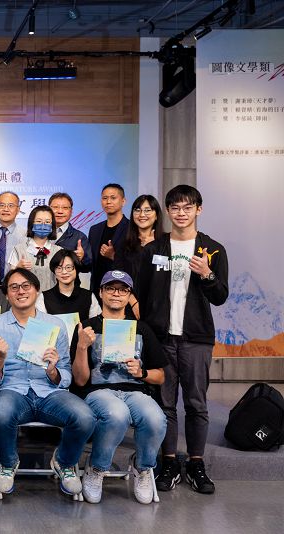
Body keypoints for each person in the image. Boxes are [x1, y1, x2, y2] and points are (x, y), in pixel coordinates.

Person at [137, 185, 229, 495]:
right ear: (167, 211)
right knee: (165, 404)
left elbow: (221, 296)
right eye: (175, 207)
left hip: (196, 338)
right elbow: (142, 294)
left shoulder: (212, 250)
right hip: (161, 340)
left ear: (198, 210)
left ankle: (196, 463)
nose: (181, 213)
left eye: (187, 207)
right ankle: (169, 462)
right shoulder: (153, 249)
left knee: (196, 404)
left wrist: (207, 275)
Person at [0, 268, 94, 497]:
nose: (20, 291)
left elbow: (66, 375)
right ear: (7, 294)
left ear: (37, 290)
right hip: (12, 391)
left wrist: (53, 371)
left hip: (50, 392)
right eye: (14, 287)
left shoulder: (55, 325)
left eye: (26, 286)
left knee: (85, 416)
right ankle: (8, 464)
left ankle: (64, 462)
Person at [71, 270, 167, 505]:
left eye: (123, 290)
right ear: (101, 292)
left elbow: (160, 376)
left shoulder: (141, 329)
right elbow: (80, 380)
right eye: (111, 288)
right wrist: (82, 347)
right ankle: (97, 467)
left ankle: (142, 467)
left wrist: (142, 373)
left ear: (129, 295)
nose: (116, 294)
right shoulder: (86, 327)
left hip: (136, 391)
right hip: (98, 392)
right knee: (117, 414)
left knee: (155, 418)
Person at [7, 205, 62, 291]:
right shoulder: (18, 249)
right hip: (25, 297)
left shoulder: (59, 251)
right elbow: (9, 280)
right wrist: (18, 268)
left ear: (52, 225)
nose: (43, 225)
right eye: (39, 221)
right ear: (31, 224)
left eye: (47, 222)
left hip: (51, 297)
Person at [36, 250, 101, 320]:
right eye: (59, 268)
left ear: (76, 269)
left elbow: (97, 323)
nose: (64, 272)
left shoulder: (88, 296)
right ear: (54, 271)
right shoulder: (44, 298)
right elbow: (40, 325)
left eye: (68, 267)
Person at [88, 184, 129, 291]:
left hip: (121, 290)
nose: (108, 202)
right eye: (105, 198)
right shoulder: (94, 230)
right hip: (97, 290)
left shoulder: (131, 229)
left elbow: (136, 264)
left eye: (113, 198)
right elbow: (90, 264)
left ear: (123, 201)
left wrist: (113, 256)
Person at [116, 195, 162, 284]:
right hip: (129, 291)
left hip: (156, 292)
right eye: (137, 210)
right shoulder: (124, 243)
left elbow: (163, 273)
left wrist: (152, 248)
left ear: (156, 215)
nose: (142, 215)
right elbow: (118, 275)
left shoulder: (165, 242)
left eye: (147, 210)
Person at [48, 192, 91, 269]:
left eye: (65, 208)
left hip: (66, 276)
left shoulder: (79, 237)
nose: (60, 211)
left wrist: (82, 258)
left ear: (71, 211)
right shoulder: (38, 233)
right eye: (55, 207)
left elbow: (89, 267)